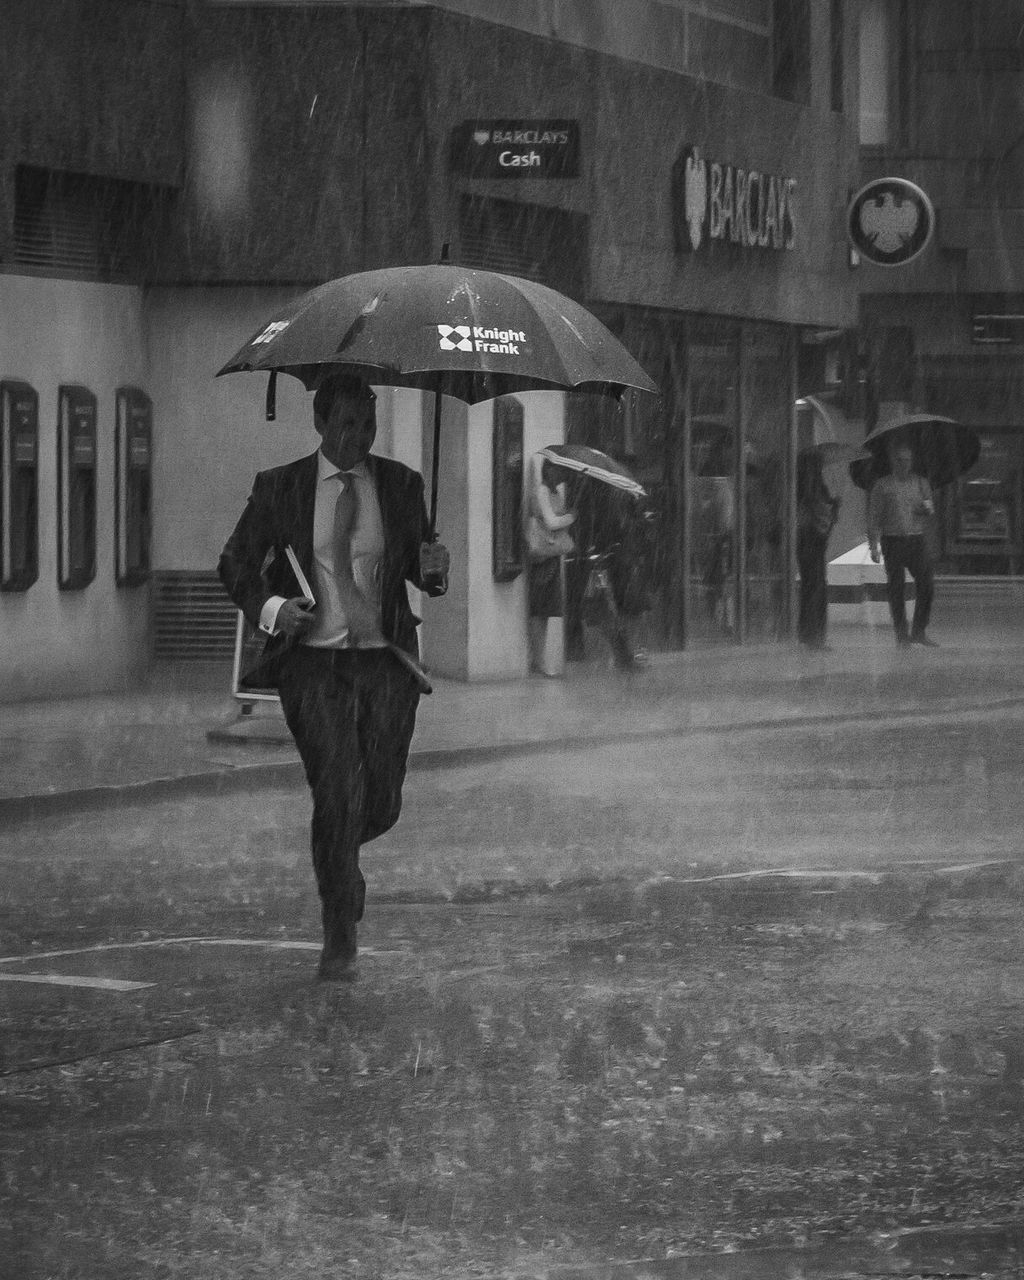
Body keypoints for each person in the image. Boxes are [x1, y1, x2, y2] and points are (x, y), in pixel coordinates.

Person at [218, 373, 450, 981]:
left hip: (385, 664)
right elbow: (235, 563)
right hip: (314, 663)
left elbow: (422, 571)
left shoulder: (402, 485)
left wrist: (434, 570)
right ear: (321, 424)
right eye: (346, 425)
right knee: (336, 788)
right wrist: (274, 611)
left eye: (367, 425)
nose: (358, 438)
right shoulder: (281, 489)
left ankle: (337, 851)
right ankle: (339, 928)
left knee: (383, 801)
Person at [867, 441, 937, 648]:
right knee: (896, 588)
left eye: (907, 460)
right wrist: (873, 545)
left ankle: (919, 630)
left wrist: (924, 509)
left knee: (927, 583)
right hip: (893, 540)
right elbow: (874, 517)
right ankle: (901, 633)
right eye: (899, 460)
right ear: (893, 462)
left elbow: (929, 509)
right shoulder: (883, 486)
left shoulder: (921, 483)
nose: (904, 464)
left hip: (915, 539)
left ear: (912, 462)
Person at [525, 454, 576, 675]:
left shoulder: (554, 492)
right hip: (543, 555)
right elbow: (551, 521)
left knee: (545, 610)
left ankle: (540, 659)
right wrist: (570, 518)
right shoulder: (542, 491)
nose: (562, 476)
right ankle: (538, 660)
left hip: (552, 554)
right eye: (559, 471)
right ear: (550, 471)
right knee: (539, 609)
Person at [796, 450, 840, 650]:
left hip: (811, 542)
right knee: (816, 588)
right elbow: (821, 519)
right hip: (812, 542)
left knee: (813, 587)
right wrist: (833, 508)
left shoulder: (807, 489)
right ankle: (814, 636)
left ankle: (810, 633)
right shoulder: (811, 490)